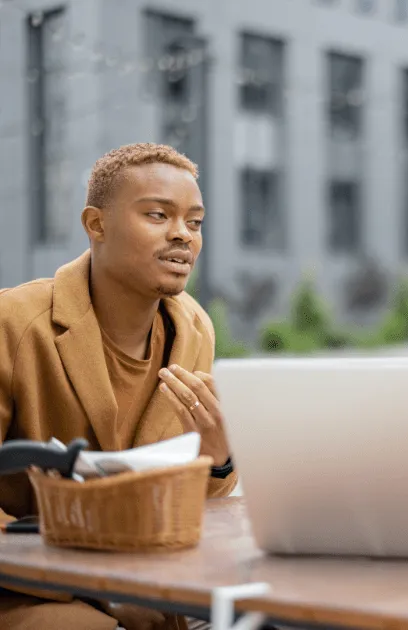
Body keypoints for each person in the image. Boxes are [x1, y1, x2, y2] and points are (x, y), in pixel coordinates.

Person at [0, 143, 236, 629]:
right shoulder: (15, 324)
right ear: (96, 224)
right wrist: (103, 593)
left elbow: (189, 511)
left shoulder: (194, 331)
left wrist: (220, 463)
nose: (182, 236)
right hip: (28, 587)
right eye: (157, 215)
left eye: (195, 222)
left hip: (154, 586)